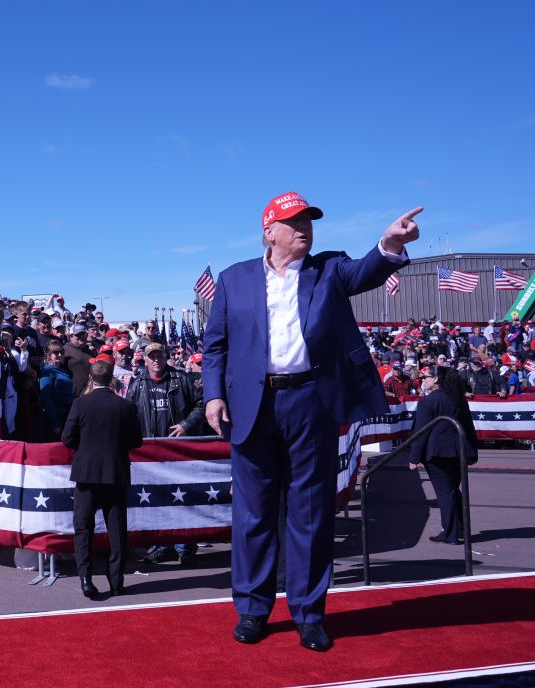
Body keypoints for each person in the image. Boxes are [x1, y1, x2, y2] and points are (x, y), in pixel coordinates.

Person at [202, 191, 420, 652]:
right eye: (294, 221)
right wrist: (213, 395)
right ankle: (253, 609)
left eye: (309, 221)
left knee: (311, 514)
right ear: (269, 231)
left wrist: (390, 244)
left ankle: (308, 612)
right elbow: (215, 346)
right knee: (254, 515)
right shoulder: (233, 279)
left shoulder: (330, 269)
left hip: (311, 404)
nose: (305, 228)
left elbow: (367, 271)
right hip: (251, 407)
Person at [61, 359, 142, 599]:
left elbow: (67, 439)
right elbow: (136, 442)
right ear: (112, 380)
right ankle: (116, 581)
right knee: (116, 530)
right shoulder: (125, 406)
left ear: (91, 379)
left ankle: (86, 578)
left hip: (86, 473)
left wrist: (85, 446)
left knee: (83, 528)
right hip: (115, 473)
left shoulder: (80, 404)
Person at [126, 342, 207, 566]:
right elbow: (128, 413)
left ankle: (186, 547)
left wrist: (186, 425)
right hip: (151, 454)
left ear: (165, 356)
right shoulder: (137, 384)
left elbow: (202, 404)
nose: (155, 360)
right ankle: (163, 546)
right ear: (145, 359)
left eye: (159, 355)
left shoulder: (181, 379)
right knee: (158, 500)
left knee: (184, 499)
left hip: (178, 450)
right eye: (151, 356)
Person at [409, 367, 477, 544]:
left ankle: (451, 533)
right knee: (452, 491)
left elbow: (421, 431)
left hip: (437, 452)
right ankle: (459, 528)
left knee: (445, 493)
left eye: (426, 377)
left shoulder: (428, 402)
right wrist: (473, 452)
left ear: (436, 380)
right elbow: (469, 427)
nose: (423, 380)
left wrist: (414, 457)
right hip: (459, 451)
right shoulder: (458, 399)